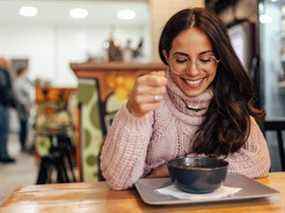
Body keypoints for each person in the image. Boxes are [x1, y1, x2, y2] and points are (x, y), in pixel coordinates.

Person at [100, 8, 271, 190]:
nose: (193, 71)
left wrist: (172, 169)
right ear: (167, 56)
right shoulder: (150, 98)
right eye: (182, 60)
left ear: (219, 59)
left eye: (205, 59)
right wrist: (132, 114)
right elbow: (118, 180)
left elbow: (259, 162)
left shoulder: (230, 98)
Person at [0, 57, 17, 163]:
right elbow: (5, 89)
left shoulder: (5, 73)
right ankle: (3, 155)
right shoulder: (3, 73)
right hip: (2, 105)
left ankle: (4, 153)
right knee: (3, 132)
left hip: (4, 104)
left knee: (3, 132)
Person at [14, 67, 34, 152]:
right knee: (23, 127)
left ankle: (24, 145)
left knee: (25, 126)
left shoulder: (23, 80)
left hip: (25, 105)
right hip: (22, 106)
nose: (27, 73)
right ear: (21, 72)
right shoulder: (18, 82)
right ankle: (23, 146)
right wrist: (26, 105)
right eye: (25, 72)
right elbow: (19, 96)